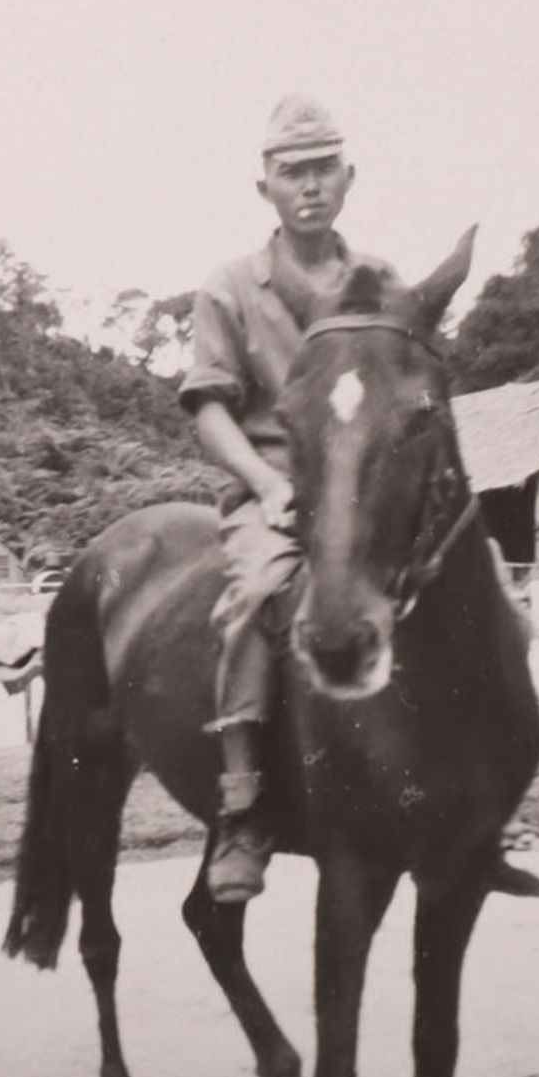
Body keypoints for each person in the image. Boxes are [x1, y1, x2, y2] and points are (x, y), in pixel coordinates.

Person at [178, 95, 391, 903]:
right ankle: (242, 809)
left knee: (466, 575)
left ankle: (478, 789)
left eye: (322, 168)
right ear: (262, 184)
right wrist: (266, 485)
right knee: (257, 594)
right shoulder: (229, 287)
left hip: (366, 498)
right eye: (290, 171)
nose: (309, 185)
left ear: (348, 176)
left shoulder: (378, 282)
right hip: (269, 495)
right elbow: (208, 408)